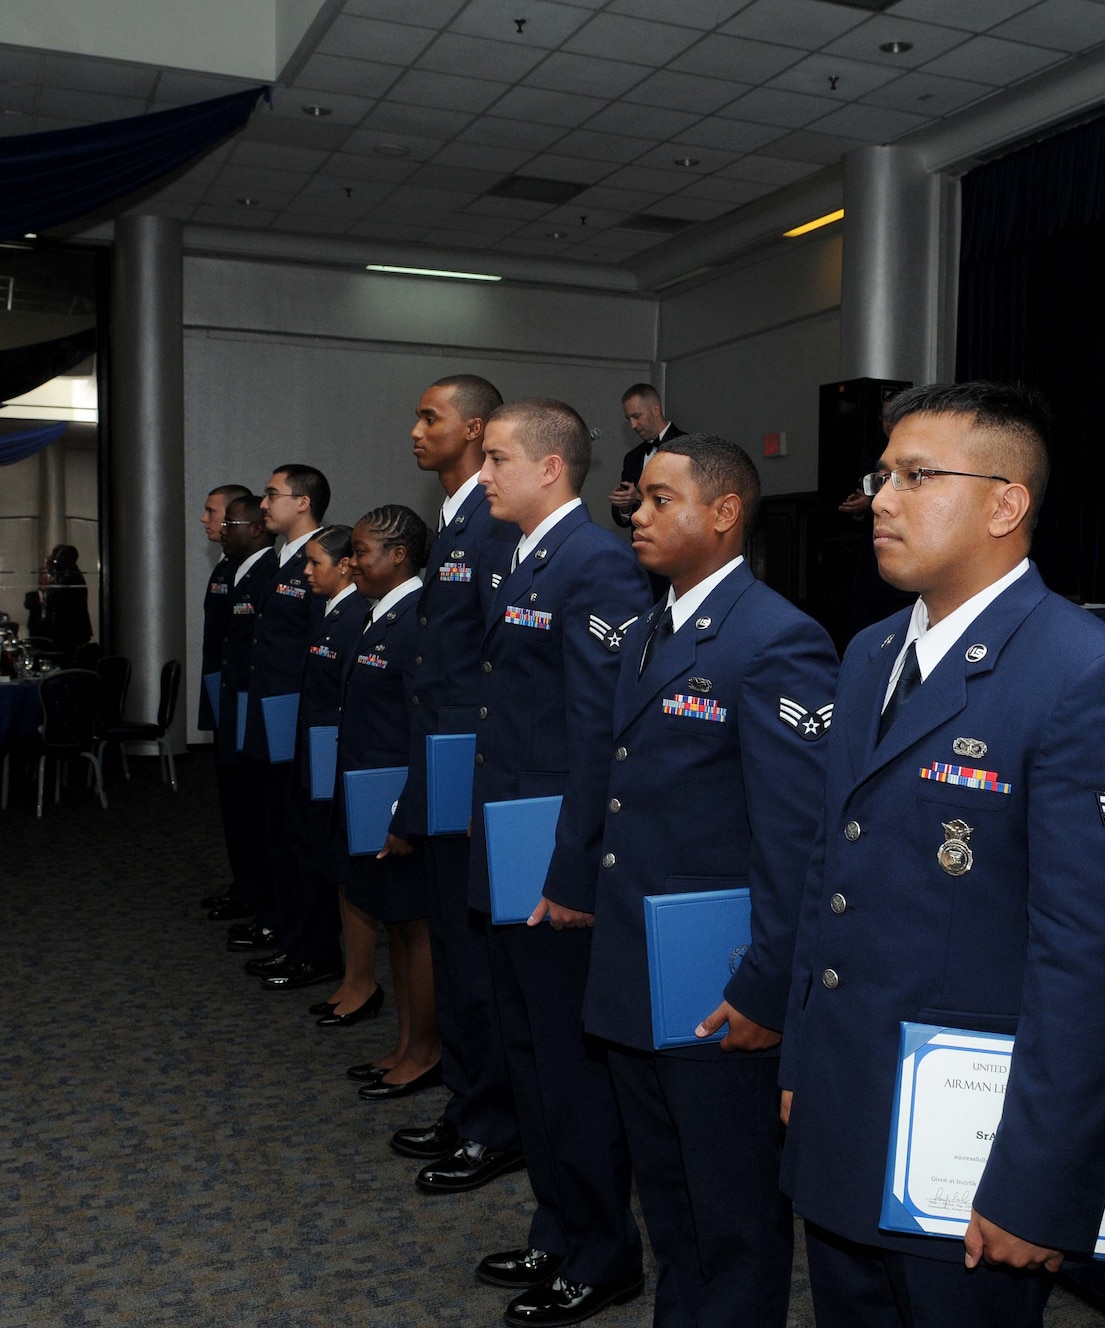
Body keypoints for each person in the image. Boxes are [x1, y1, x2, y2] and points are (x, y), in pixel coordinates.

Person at [779, 382, 1105, 1327]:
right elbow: (828, 871)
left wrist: (1041, 1179)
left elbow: (1096, 961)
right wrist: (801, 1059)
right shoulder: (871, 650)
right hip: (847, 1105)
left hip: (972, 1151)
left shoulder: (1090, 675)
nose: (880, 498)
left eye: (917, 476)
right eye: (882, 475)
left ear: (1007, 503)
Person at [584, 434, 838, 1327]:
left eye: (660, 500)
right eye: (637, 501)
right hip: (641, 972)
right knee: (672, 1207)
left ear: (724, 513)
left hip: (721, 986)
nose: (636, 516)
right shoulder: (657, 625)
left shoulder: (777, 641)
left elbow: (796, 839)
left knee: (732, 1222)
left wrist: (767, 989)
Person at [468, 398, 652, 1327]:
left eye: (497, 458)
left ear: (550, 468)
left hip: (553, 863)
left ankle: (604, 1250)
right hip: (511, 846)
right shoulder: (527, 555)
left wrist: (573, 875)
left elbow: (598, 739)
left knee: (570, 1069)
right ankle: (558, 1226)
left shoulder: (598, 564)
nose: (483, 473)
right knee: (528, 1050)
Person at [387, 374, 529, 1197]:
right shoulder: (455, 520)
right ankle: (468, 1100)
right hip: (443, 762)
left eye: (429, 415)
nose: (415, 429)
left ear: (474, 430)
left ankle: (493, 1124)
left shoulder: (495, 521)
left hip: (474, 771)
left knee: (476, 962)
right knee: (451, 943)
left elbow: (495, 670)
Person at [336, 505, 444, 1102]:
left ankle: (426, 1051)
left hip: (400, 800)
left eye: (362, 552)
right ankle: (407, 1043)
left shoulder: (415, 618)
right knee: (396, 930)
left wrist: (408, 810)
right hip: (372, 794)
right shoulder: (380, 615)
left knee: (414, 928)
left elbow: (420, 723)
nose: (352, 562)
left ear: (399, 555)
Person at [256, 525, 369, 999]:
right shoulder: (329, 611)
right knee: (302, 849)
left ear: (345, 566)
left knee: (323, 859)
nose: (306, 572)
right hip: (312, 749)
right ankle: (303, 944)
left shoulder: (355, 616)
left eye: (315, 563)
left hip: (332, 754)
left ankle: (318, 952)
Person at [238, 464, 337, 987]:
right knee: (280, 834)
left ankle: (313, 949)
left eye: (273, 495)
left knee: (303, 840)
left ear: (303, 502)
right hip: (274, 721)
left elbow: (321, 651)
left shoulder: (322, 559)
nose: (263, 504)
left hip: (302, 725)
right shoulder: (282, 559)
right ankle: (291, 936)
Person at [216, 496, 280, 945]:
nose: (218, 526)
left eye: (227, 520)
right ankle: (250, 892)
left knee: (262, 815)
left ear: (256, 529)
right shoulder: (232, 570)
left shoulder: (270, 574)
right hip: (236, 703)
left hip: (262, 710)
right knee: (239, 807)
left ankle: (264, 903)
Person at [195, 483, 256, 916]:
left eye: (212, 511)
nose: (205, 519)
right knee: (232, 805)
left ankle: (253, 891)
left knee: (247, 808)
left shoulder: (253, 570)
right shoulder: (224, 568)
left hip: (246, 702)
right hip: (224, 695)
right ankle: (243, 885)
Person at [609, 384, 686, 530]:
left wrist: (639, 496)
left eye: (637, 416)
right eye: (629, 419)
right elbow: (623, 521)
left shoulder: (686, 447)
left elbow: (686, 499)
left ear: (656, 410)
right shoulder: (631, 458)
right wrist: (625, 505)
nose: (633, 425)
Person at [23, 544, 92, 662]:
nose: (58, 560)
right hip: (67, 632)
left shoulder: (72, 577)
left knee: (68, 661)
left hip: (71, 632)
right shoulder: (67, 575)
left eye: (60, 557)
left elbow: (58, 601)